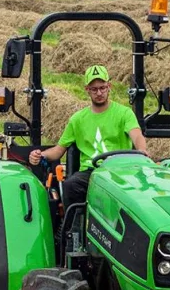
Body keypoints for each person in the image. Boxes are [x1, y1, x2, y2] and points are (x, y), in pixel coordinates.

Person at [28, 64, 149, 210]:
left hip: (120, 170)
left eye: (102, 87)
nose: (99, 93)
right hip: (91, 172)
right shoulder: (77, 120)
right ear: (87, 90)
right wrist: (40, 155)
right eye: (94, 89)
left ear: (109, 86)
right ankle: (76, 227)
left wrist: (142, 150)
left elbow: (136, 135)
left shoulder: (124, 113)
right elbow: (59, 150)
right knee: (71, 185)